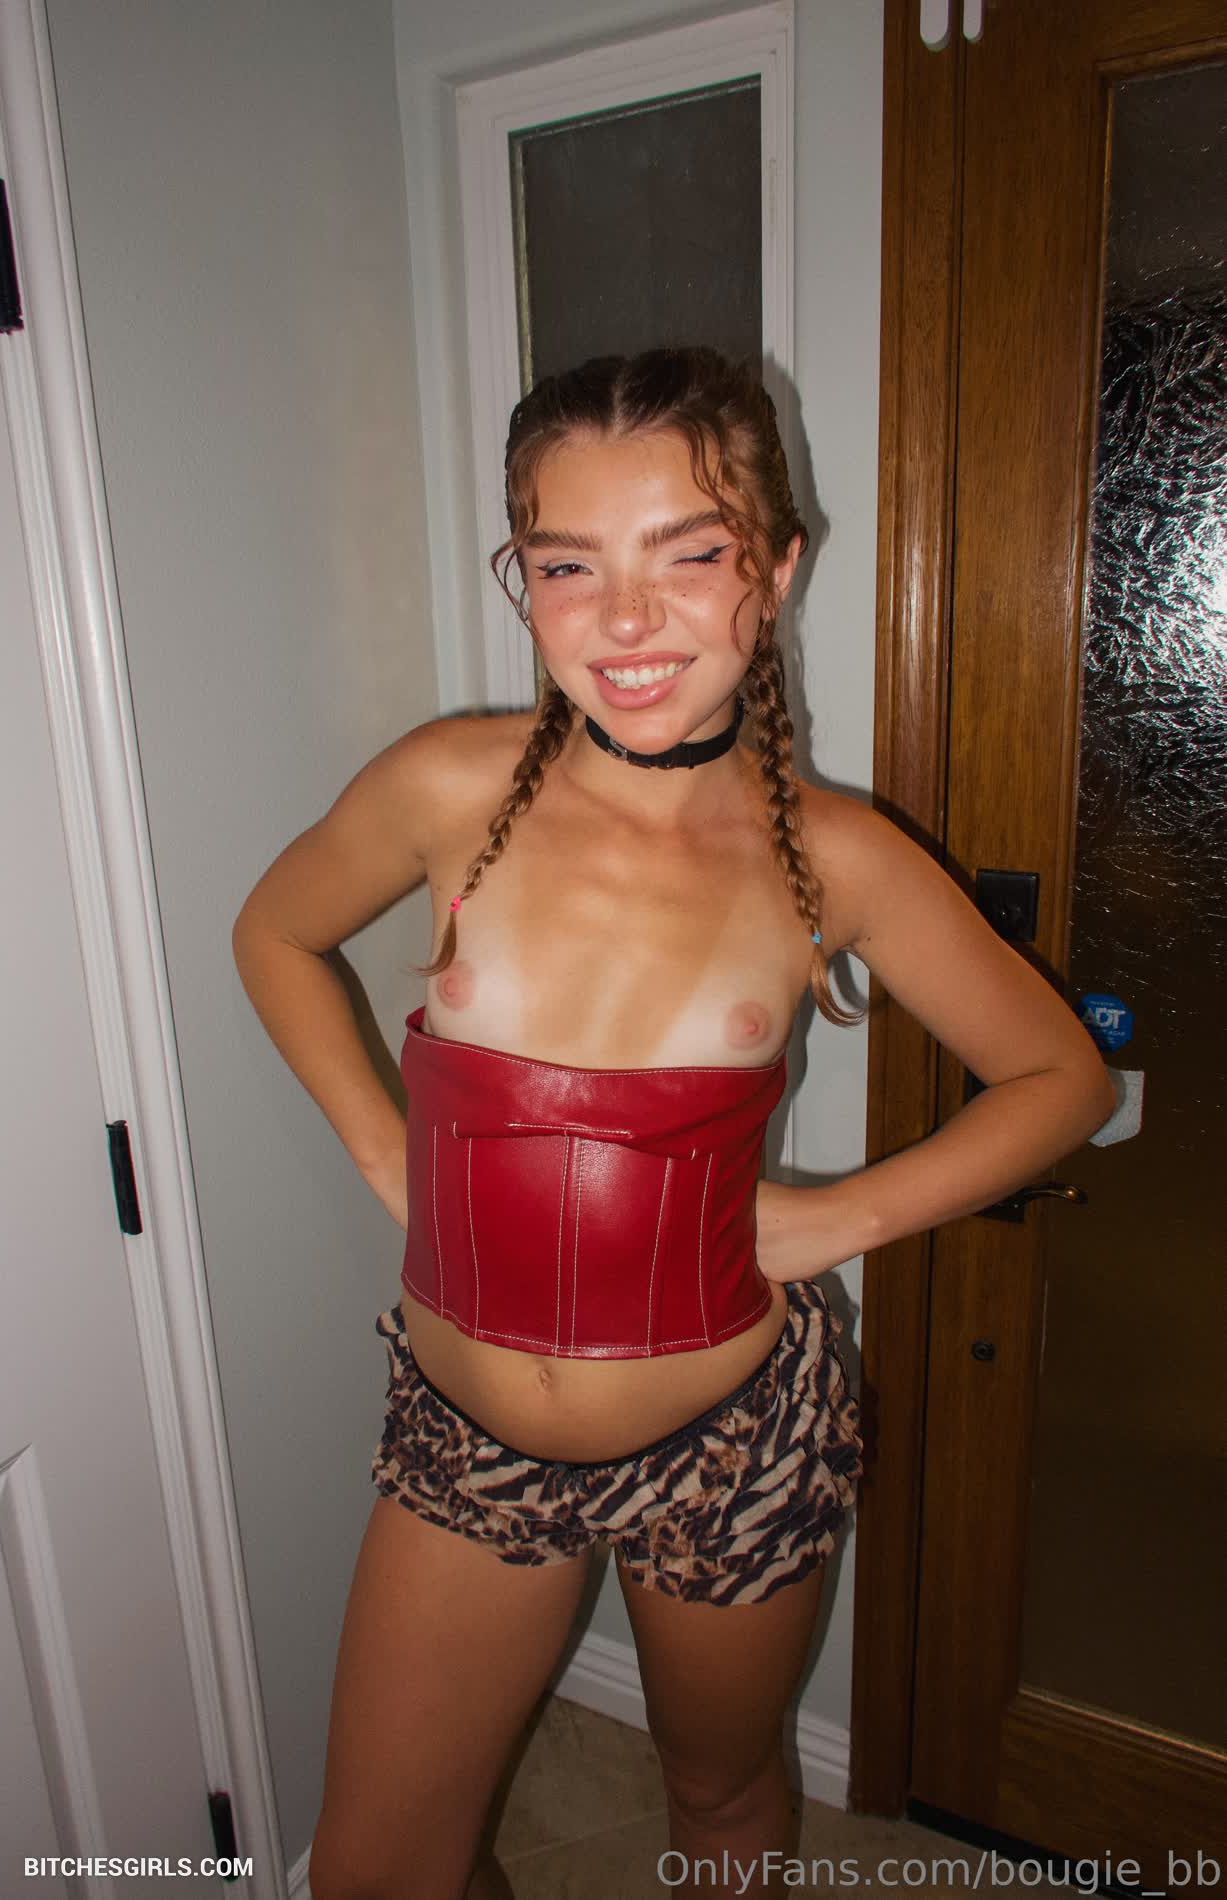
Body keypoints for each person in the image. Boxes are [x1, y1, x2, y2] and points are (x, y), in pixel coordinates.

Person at [232, 347, 1114, 1900]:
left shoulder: (838, 855)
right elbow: (275, 933)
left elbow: (1065, 1081)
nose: (625, 620)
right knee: (373, 1870)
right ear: (524, 581)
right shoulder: (447, 785)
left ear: (774, 570)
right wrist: (385, 1153)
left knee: (717, 1797)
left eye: (687, 556)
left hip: (734, 1441)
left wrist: (838, 1218)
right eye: (569, 564)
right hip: (466, 1443)